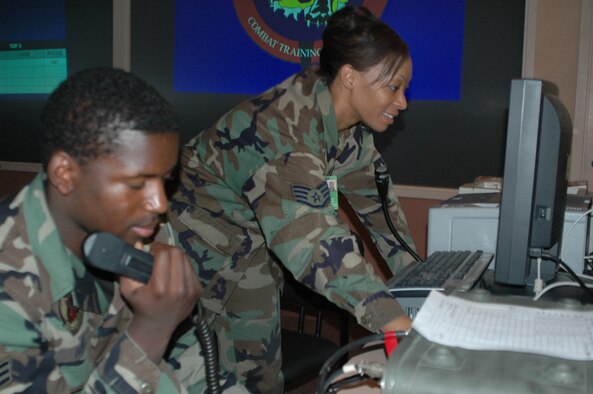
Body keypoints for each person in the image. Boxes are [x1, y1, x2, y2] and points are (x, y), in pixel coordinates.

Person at [168, 6, 416, 393]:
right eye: (393, 87)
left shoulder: (348, 132)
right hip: (187, 261)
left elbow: (384, 216)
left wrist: (421, 287)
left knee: (261, 381)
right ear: (350, 76)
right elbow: (314, 241)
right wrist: (393, 321)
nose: (402, 101)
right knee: (182, 380)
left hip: (250, 256)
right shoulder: (283, 131)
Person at [0, 67, 246, 393]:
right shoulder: (9, 283)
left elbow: (188, 363)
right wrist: (151, 331)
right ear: (64, 174)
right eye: (136, 183)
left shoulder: (142, 226)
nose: (159, 203)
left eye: (165, 179)